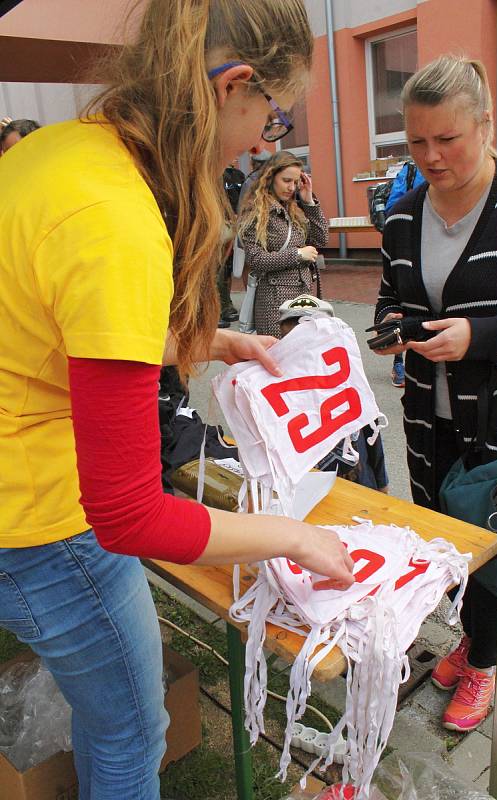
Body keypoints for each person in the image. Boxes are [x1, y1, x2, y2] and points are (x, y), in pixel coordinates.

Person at [0, 3, 355, 798]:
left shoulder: (59, 153)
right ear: (233, 88)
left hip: (21, 496)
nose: (267, 140)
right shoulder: (115, 220)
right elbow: (129, 517)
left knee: (115, 719)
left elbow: (57, 324)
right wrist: (289, 537)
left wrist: (204, 343)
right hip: (42, 522)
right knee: (132, 732)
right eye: (273, 113)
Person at [373, 55, 497, 733]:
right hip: (427, 420)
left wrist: (482, 336)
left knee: (494, 547)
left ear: (484, 124)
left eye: (446, 139)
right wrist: (392, 333)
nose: (429, 156)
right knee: (444, 542)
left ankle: (485, 663)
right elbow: (388, 305)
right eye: (415, 142)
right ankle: (468, 639)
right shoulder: (401, 217)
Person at [279, 295, 389, 493]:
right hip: (307, 492)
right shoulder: (279, 394)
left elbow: (372, 434)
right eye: (294, 341)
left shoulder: (349, 382)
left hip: (361, 488)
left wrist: (382, 484)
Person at [239, 149, 328, 337]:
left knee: (301, 357)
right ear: (271, 177)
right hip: (274, 302)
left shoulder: (294, 208)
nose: (292, 187)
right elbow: (255, 259)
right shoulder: (255, 210)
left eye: (296, 182)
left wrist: (309, 201)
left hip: (303, 298)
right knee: (278, 358)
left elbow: (321, 239)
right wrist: (297, 255)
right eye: (286, 181)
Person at [384, 160, 426, 389]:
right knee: (403, 307)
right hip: (410, 248)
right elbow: (392, 208)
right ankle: (399, 363)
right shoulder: (410, 171)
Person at [217, 160, 246, 327]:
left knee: (228, 267)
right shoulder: (215, 174)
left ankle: (226, 305)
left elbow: (243, 198)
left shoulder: (239, 176)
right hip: (220, 223)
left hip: (236, 224)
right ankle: (217, 308)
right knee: (216, 268)